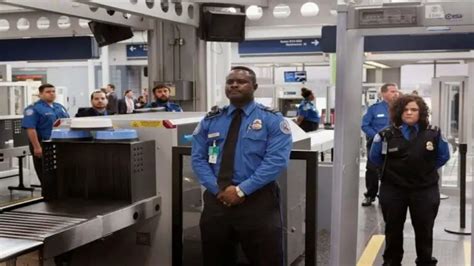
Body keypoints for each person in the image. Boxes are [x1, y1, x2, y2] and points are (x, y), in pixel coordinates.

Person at [191, 66, 292, 266]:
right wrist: (218, 190)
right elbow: (198, 158)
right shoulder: (211, 120)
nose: (235, 85)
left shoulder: (271, 120)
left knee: (266, 259)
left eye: (241, 81)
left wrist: (241, 190)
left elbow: (276, 161)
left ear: (254, 87)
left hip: (258, 200)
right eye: (230, 82)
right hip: (217, 200)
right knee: (215, 258)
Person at [370, 95, 450, 266]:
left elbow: (443, 156)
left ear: (420, 112)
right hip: (393, 189)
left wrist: (423, 169)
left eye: (413, 109)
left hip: (424, 189)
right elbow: (375, 158)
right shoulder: (385, 135)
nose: (409, 113)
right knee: (393, 228)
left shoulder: (433, 133)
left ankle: (425, 260)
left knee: (424, 228)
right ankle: (392, 261)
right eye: (405, 110)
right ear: (399, 112)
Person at [21, 83, 69, 185]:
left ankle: (59, 192)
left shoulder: (59, 107)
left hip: (61, 143)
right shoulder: (32, 109)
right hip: (43, 143)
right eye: (48, 92)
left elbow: (68, 123)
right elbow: (30, 128)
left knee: (60, 170)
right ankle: (48, 192)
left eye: (53, 91)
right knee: (45, 170)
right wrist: (37, 147)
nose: (51, 94)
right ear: (40, 94)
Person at [361, 83, 399, 206]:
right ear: (383, 93)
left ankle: (387, 194)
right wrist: (377, 137)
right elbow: (365, 125)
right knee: (372, 168)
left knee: (392, 168)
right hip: (376, 143)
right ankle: (370, 195)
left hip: (395, 143)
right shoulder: (374, 108)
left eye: (396, 91)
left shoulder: (401, 108)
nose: (396, 94)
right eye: (392, 91)